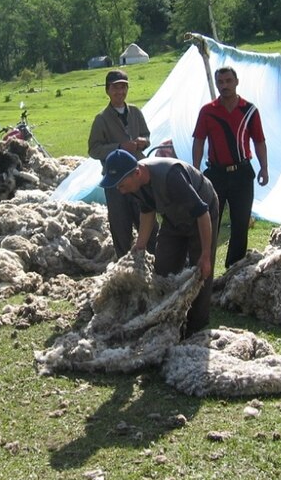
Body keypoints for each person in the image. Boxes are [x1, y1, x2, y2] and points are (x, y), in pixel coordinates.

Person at [100, 148, 219, 337]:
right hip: (173, 218)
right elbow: (147, 211)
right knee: (163, 268)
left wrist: (206, 255)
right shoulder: (135, 186)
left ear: (136, 173)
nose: (118, 189)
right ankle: (167, 314)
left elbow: (202, 213)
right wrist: (139, 247)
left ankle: (196, 325)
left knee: (200, 272)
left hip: (201, 215)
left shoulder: (171, 177)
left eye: (120, 184)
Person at [192, 66, 268, 268]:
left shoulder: (249, 110)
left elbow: (259, 141)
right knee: (210, 223)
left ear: (236, 82)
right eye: (220, 82)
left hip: (242, 173)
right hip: (215, 173)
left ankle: (233, 270)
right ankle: (204, 266)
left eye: (228, 81)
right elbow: (198, 140)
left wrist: (264, 168)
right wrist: (195, 169)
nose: (224, 86)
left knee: (240, 223)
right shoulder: (208, 111)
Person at [88, 69, 157, 258]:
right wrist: (119, 146)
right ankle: (124, 268)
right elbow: (94, 149)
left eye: (123, 87)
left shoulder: (135, 112)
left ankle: (154, 263)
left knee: (148, 222)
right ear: (107, 90)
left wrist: (143, 141)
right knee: (120, 227)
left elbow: (147, 134)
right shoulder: (101, 119)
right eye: (115, 88)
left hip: (138, 176)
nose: (120, 92)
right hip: (116, 181)